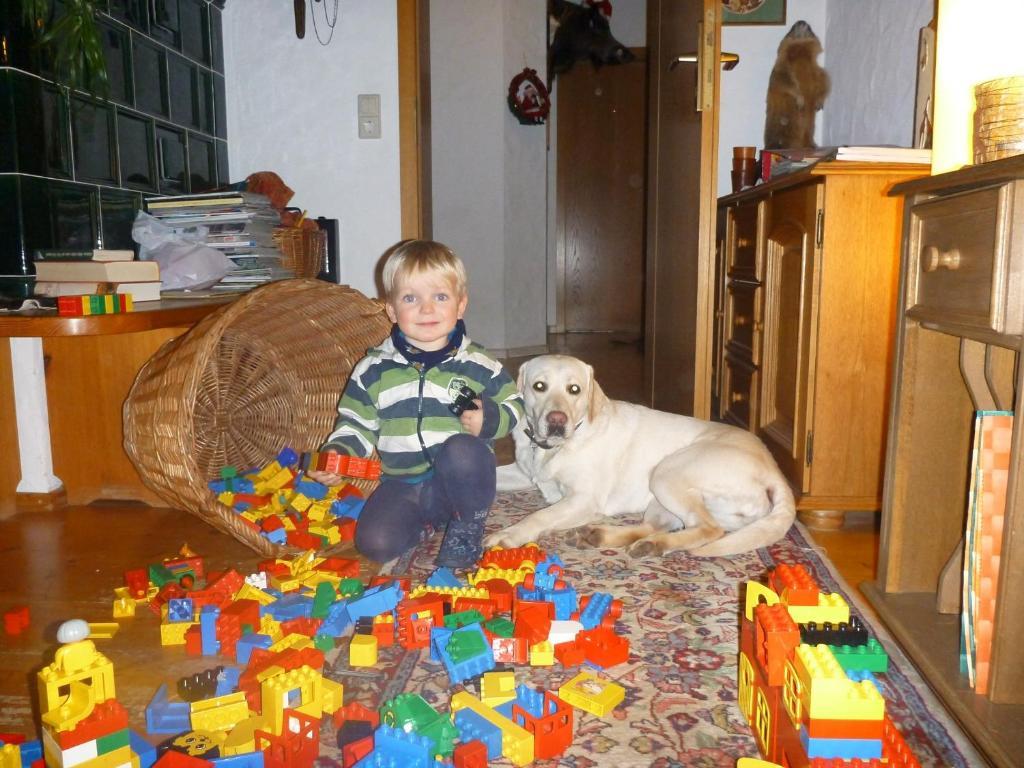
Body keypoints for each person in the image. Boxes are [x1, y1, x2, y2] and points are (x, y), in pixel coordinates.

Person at [308, 239, 524, 568]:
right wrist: (340, 455)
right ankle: (429, 521)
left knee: (464, 450)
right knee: (375, 544)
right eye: (411, 298)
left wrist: (490, 418)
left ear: (460, 305)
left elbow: (516, 403)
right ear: (392, 310)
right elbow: (355, 423)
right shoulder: (373, 369)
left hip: (461, 477)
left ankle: (467, 523)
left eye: (440, 297)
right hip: (403, 482)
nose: (427, 309)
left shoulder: (477, 363)